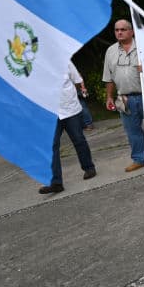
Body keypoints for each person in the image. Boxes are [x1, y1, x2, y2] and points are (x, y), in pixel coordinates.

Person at [103, 19, 144, 172]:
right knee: (133, 131)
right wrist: (109, 97)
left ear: (131, 31)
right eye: (117, 30)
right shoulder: (110, 51)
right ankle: (140, 159)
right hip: (125, 99)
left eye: (123, 29)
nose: (119, 32)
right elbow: (108, 77)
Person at [39, 62, 97, 194]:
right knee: (51, 146)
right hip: (51, 112)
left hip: (70, 110)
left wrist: (74, 93)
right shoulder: (38, 64)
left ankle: (89, 168)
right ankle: (56, 182)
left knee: (79, 140)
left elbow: (77, 80)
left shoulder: (66, 61)